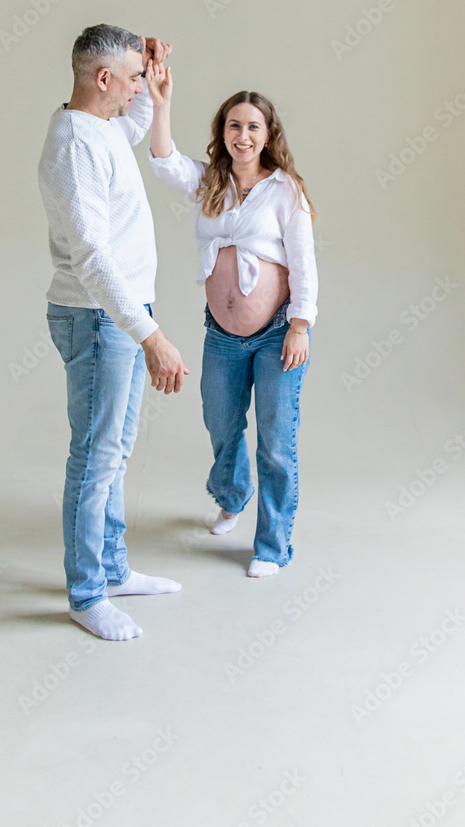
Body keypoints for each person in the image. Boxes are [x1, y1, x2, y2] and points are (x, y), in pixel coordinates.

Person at [37, 24, 189, 640]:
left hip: (117, 317)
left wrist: (153, 81)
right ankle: (86, 593)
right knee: (96, 457)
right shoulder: (76, 144)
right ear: (103, 79)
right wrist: (152, 336)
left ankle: (114, 568)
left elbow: (135, 124)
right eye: (129, 80)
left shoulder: (99, 128)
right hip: (99, 319)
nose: (135, 90)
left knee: (114, 452)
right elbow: (93, 258)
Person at [145, 59, 318, 578]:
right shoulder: (209, 182)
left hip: (277, 333)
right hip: (221, 334)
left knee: (276, 442)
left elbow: (304, 263)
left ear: (268, 135)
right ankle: (232, 495)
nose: (243, 136)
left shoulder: (285, 190)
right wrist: (160, 103)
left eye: (253, 127)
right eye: (234, 125)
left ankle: (271, 547)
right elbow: (163, 161)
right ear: (223, 132)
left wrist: (300, 326)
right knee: (221, 423)